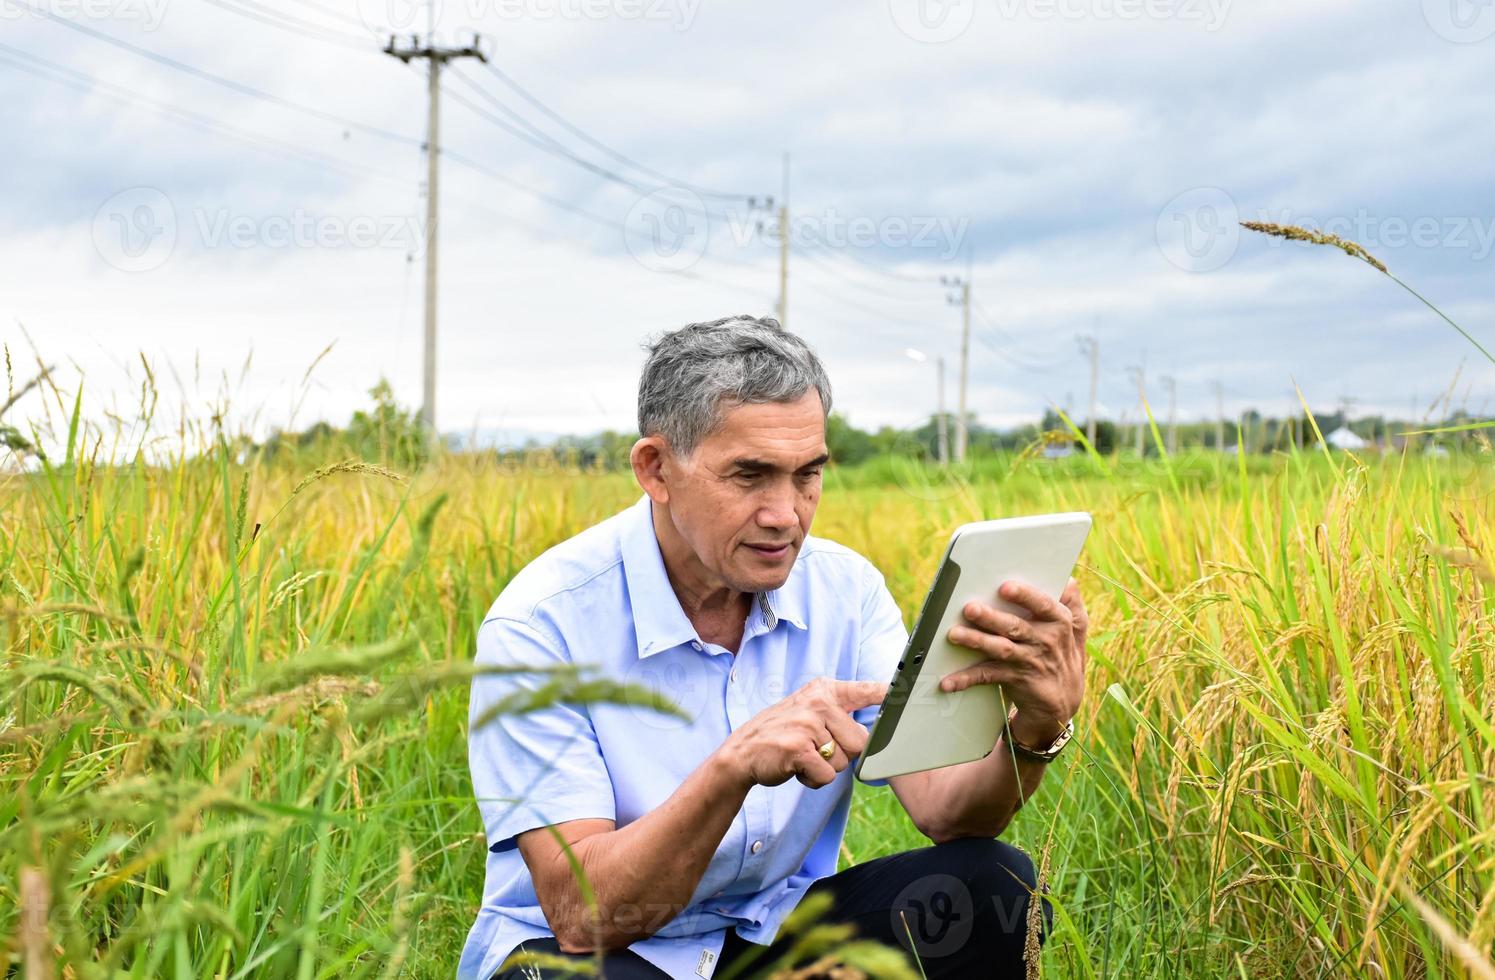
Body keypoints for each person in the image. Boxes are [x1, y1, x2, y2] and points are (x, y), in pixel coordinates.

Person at [457, 315, 1090, 980]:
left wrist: (1034, 726)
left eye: (806, 474)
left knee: (992, 885)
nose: (785, 514)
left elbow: (945, 811)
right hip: (594, 953)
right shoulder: (541, 627)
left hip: (770, 935)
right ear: (655, 469)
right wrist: (729, 771)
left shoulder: (844, 591)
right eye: (749, 475)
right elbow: (584, 916)